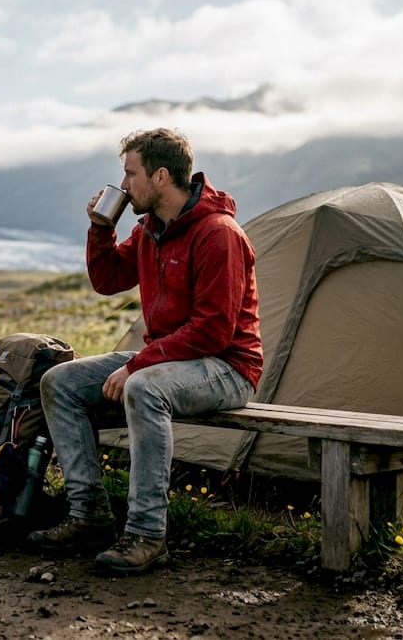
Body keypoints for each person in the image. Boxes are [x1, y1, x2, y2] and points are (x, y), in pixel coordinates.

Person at [26, 127, 264, 575]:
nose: (124, 184)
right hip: (169, 361)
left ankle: (147, 534)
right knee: (60, 382)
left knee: (144, 388)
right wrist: (101, 229)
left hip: (227, 368)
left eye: (130, 173)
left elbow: (213, 331)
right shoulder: (151, 230)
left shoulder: (219, 234)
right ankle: (89, 516)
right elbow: (108, 280)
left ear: (160, 176)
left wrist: (137, 364)